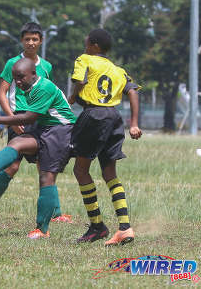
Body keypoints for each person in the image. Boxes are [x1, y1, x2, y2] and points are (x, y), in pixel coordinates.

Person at [0, 58, 76, 239]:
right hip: (45, 129)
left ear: (34, 74)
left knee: (46, 177)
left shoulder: (44, 87)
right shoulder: (27, 87)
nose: (17, 82)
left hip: (61, 131)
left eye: (21, 77)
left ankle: (42, 229)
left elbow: (30, 117)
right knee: (15, 144)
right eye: (15, 78)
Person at [68, 28, 142, 245]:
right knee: (109, 173)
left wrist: (73, 96)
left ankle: (97, 226)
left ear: (94, 46)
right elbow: (133, 91)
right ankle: (125, 227)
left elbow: (80, 81)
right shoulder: (118, 70)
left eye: (86, 42)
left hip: (94, 116)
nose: (84, 45)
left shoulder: (85, 59)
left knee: (80, 169)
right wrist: (134, 123)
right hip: (114, 118)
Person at [0, 22, 71, 223]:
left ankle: (55, 213)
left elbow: (47, 93)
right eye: (27, 39)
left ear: (41, 41)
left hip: (39, 119)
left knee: (44, 166)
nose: (31, 42)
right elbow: (2, 93)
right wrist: (10, 119)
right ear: (21, 40)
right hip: (18, 116)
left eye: (35, 39)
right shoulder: (12, 63)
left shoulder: (46, 66)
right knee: (12, 166)